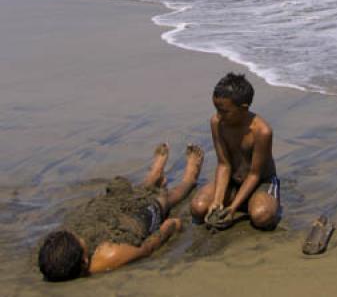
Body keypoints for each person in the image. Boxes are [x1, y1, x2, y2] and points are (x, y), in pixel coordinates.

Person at [38, 143, 204, 282]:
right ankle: (189, 179)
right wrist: (169, 227)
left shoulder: (54, 260)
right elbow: (147, 248)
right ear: (84, 261)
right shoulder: (107, 256)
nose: (77, 236)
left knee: (129, 194)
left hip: (111, 213)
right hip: (136, 222)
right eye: (78, 240)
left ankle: (153, 177)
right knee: (163, 199)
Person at [190, 73, 280, 231]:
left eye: (224, 111)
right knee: (198, 208)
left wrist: (232, 209)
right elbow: (224, 164)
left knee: (262, 216)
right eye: (216, 109)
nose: (219, 115)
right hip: (233, 182)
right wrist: (217, 201)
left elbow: (254, 175)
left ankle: (254, 201)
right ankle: (238, 201)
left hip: (260, 182)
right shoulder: (217, 123)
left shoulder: (261, 131)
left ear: (243, 108)